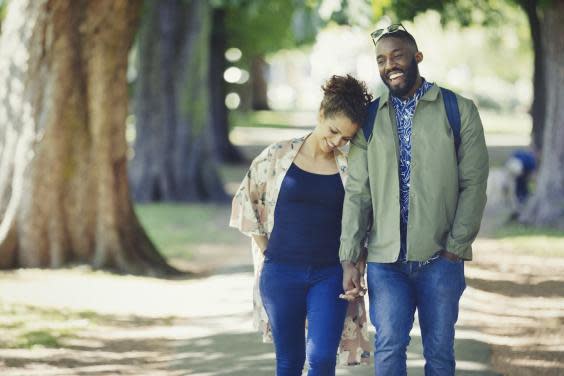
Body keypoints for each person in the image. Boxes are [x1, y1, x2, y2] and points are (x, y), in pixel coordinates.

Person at [339, 24, 489, 375]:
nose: (389, 64)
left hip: (440, 257)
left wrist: (456, 245)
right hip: (385, 261)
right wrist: (349, 256)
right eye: (381, 59)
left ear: (417, 57)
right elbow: (358, 192)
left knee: (439, 351)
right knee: (389, 347)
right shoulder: (370, 119)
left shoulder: (458, 110)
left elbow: (474, 182)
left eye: (397, 56)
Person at [230, 74, 373, 376]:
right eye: (333, 131)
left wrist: (357, 265)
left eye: (346, 138)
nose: (337, 142)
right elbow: (246, 201)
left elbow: (363, 221)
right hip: (281, 274)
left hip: (330, 276)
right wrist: (268, 252)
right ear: (321, 114)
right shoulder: (277, 156)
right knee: (289, 363)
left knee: (321, 359)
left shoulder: (352, 167)